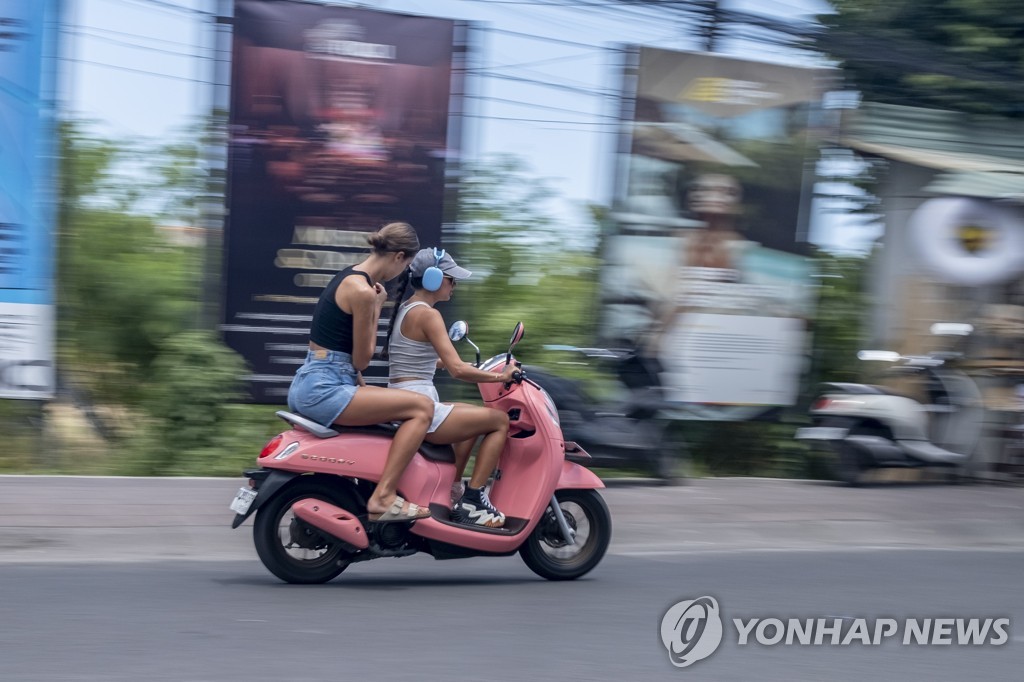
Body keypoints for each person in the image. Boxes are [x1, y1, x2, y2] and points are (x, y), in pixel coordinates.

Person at [287, 222, 435, 524]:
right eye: (406, 266)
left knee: (392, 413)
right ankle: (383, 498)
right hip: (324, 388)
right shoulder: (364, 292)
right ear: (399, 257)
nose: (401, 274)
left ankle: (371, 491)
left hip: (315, 379)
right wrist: (378, 306)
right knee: (422, 408)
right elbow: (362, 358)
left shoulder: (347, 276)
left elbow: (346, 359)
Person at [382, 248, 516, 528]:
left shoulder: (409, 309)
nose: (454, 285)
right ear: (432, 279)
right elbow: (456, 370)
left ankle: (453, 487)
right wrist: (501, 377)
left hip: (405, 398)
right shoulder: (427, 315)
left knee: (470, 416)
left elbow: (425, 359)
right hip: (417, 403)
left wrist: (465, 364)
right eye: (450, 279)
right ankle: (474, 500)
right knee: (498, 421)